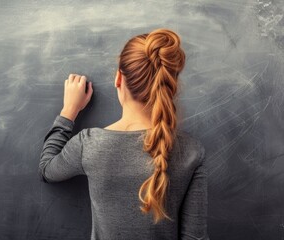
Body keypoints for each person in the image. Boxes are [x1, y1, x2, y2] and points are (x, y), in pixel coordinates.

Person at [39, 28, 208, 240]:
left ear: (119, 78)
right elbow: (195, 237)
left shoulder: (90, 145)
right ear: (170, 86)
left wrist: (69, 111)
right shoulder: (191, 150)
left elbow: (47, 170)